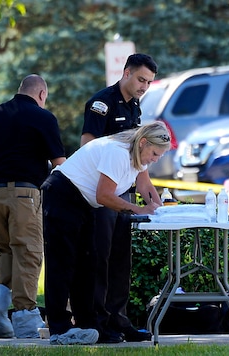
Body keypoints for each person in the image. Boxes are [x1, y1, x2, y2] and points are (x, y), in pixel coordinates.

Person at [41, 121, 170, 345]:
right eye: (155, 153)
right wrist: (139, 210)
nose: (156, 159)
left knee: (89, 266)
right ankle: (59, 327)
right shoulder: (118, 153)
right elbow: (104, 195)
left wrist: (160, 212)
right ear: (143, 143)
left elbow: (146, 187)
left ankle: (90, 325)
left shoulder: (138, 155)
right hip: (63, 194)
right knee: (62, 263)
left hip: (85, 202)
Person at [0, 74, 66, 338]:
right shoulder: (43, 117)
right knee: (28, 250)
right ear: (41, 95)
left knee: (5, 249)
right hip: (24, 193)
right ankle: (25, 317)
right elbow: (60, 163)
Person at [82, 53, 158, 342]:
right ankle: (100, 323)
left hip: (124, 191)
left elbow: (137, 156)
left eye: (149, 82)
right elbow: (88, 144)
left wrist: (148, 192)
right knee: (100, 258)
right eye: (141, 79)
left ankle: (119, 318)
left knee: (120, 259)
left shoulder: (134, 106)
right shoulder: (102, 103)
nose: (144, 87)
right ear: (126, 73)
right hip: (102, 193)